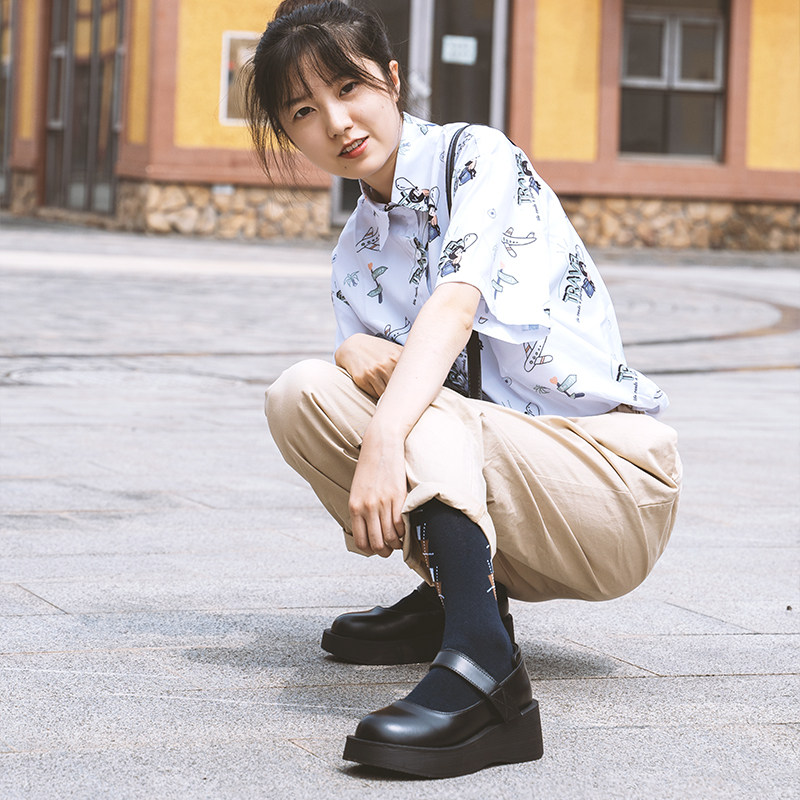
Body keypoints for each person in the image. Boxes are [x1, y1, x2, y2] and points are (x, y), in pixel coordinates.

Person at [245, 0, 681, 779]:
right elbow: (379, 386)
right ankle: (460, 598)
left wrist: (385, 430)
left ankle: (488, 675)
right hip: (515, 491)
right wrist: (350, 353)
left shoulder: (475, 155)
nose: (337, 122)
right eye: (303, 111)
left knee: (413, 399)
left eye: (348, 87)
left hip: (611, 486)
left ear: (393, 79)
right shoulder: (355, 251)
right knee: (300, 393)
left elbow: (454, 307)